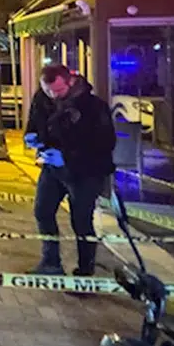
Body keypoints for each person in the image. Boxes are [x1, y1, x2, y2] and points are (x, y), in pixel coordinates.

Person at [25, 64, 116, 277]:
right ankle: (50, 264)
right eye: (48, 91)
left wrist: (66, 156)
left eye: (58, 90)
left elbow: (105, 144)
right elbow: (34, 124)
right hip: (52, 168)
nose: (53, 95)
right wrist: (33, 138)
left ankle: (85, 272)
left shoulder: (93, 107)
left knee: (81, 221)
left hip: (86, 172)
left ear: (70, 82)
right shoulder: (42, 99)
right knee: (42, 211)